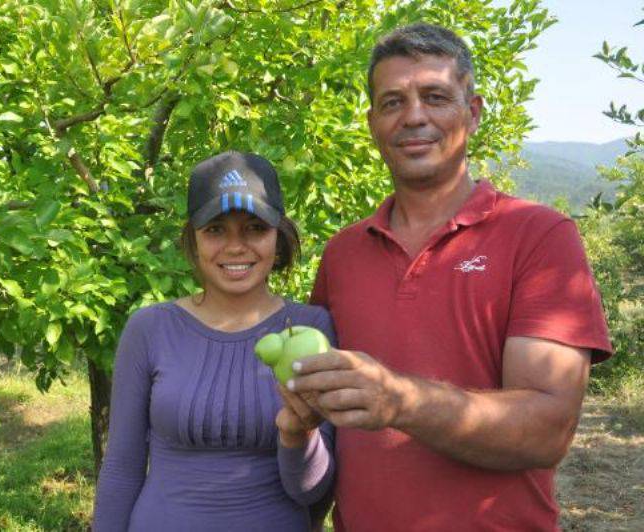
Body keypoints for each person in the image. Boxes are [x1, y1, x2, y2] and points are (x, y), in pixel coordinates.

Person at [286, 23, 613, 531]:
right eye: (392, 102)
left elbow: (548, 431)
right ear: (372, 122)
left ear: (473, 112)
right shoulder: (343, 253)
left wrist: (400, 400)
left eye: (435, 96)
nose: (413, 116)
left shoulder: (540, 236)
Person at [92, 151, 336, 531]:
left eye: (255, 228)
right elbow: (122, 470)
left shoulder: (312, 329)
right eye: (216, 229)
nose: (235, 246)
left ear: (279, 235)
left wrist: (297, 432)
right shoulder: (150, 329)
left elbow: (312, 492)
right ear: (193, 237)